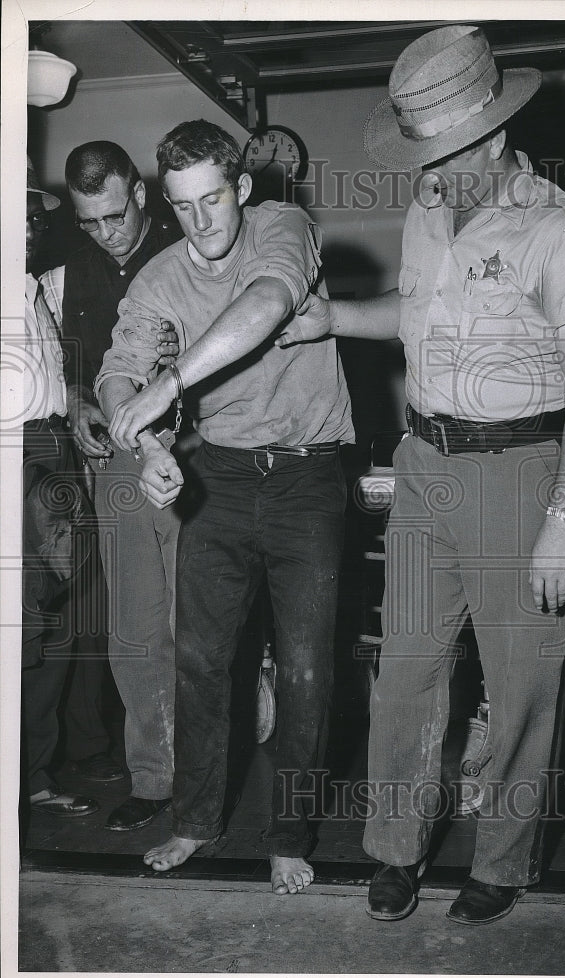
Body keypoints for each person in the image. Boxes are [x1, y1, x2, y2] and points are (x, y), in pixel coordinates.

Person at [112, 26, 565, 922]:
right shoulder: (432, 209)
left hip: (522, 469)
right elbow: (413, 314)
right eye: (422, 152)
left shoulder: (562, 231)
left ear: (496, 136)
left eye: (446, 153)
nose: (430, 172)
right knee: (406, 675)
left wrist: (564, 520)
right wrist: (334, 320)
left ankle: (499, 865)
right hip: (425, 460)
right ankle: (393, 851)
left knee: (519, 685)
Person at [98, 120, 354, 894]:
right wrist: (150, 450)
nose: (201, 222)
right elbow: (117, 375)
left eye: (214, 200)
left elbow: (269, 303)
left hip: (309, 477)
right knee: (201, 660)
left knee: (307, 668)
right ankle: (194, 820)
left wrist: (167, 390)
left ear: (241, 189)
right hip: (224, 475)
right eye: (182, 206)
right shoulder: (158, 278)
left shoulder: (284, 224)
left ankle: (290, 834)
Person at [42, 141, 182, 831]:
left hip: (198, 454)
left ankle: (208, 774)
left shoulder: (189, 242)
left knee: (200, 627)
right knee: (134, 628)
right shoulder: (70, 261)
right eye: (90, 221)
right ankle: (155, 780)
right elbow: (62, 364)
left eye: (116, 216)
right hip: (120, 463)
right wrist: (80, 406)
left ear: (141, 193)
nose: (105, 232)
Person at [21, 156, 98, 817]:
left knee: (58, 624)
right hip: (16, 455)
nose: (26, 225)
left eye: (31, 216)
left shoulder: (31, 290)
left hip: (54, 448)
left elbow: (52, 380)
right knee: (22, 625)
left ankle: (36, 773)